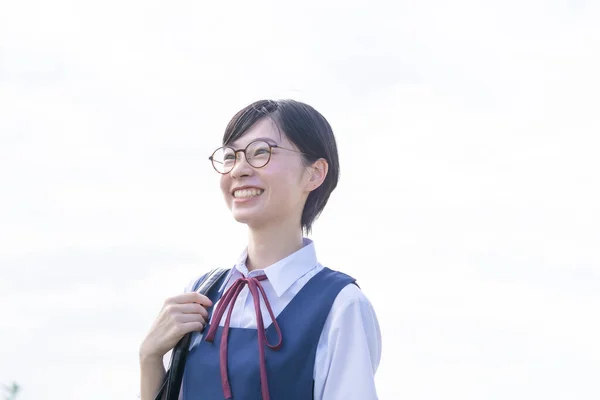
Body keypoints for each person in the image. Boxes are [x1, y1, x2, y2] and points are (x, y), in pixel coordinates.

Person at [139, 99, 382, 399]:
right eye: (231, 157)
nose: (239, 169)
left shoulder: (340, 305)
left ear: (314, 173)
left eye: (261, 153)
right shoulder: (201, 295)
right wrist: (149, 358)